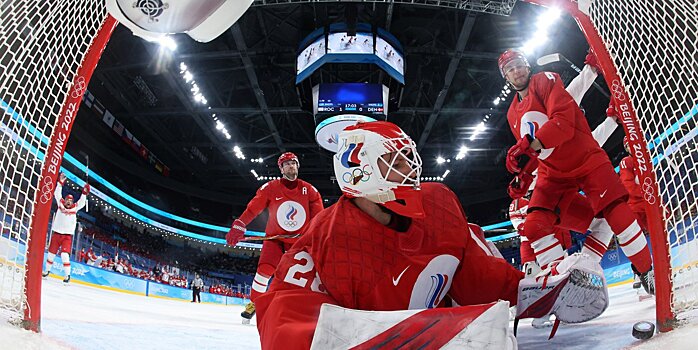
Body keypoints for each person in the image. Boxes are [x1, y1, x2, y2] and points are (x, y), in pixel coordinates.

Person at [255, 121, 609, 348]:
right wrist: (433, 335)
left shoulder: (439, 201)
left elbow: (471, 272)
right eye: (396, 162)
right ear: (359, 175)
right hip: (424, 327)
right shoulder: (326, 237)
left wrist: (535, 292)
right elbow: (282, 323)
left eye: (409, 159)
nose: (411, 169)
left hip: (440, 315)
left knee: (473, 238)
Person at [498, 48, 654, 293]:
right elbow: (532, 152)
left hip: (585, 159)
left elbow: (563, 122)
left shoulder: (546, 80)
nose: (516, 71)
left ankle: (646, 271)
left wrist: (593, 66)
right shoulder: (511, 113)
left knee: (617, 214)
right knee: (534, 225)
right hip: (553, 174)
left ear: (527, 66)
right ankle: (567, 285)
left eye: (519, 65)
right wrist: (524, 173)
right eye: (510, 69)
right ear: (505, 76)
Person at [225, 152, 324, 322]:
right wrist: (240, 223)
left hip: (299, 243)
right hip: (275, 240)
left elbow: (320, 219)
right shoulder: (270, 188)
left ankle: (303, 309)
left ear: (297, 166)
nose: (291, 166)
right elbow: (253, 209)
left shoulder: (310, 191)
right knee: (264, 271)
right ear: (281, 168)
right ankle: (254, 303)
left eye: (293, 163)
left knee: (303, 278)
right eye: (286, 164)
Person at [42, 173, 89, 284]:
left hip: (66, 236)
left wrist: (84, 193)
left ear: (72, 202)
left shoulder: (75, 208)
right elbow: (57, 194)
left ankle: (67, 275)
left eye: (70, 200)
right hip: (56, 234)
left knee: (64, 255)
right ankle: (47, 271)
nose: (68, 202)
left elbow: (82, 202)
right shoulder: (61, 204)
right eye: (67, 199)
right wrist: (60, 183)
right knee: (51, 254)